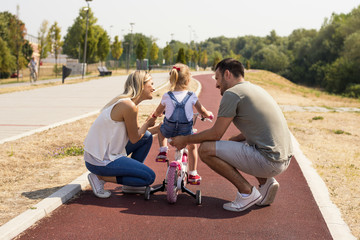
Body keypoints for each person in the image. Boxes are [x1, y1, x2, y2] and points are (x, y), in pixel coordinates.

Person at [170, 58, 293, 211]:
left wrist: (185, 139)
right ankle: (266, 183)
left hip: (270, 161)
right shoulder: (255, 89)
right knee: (231, 144)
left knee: (206, 149)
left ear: (227, 74)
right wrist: (234, 139)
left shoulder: (232, 93)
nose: (216, 84)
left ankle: (247, 193)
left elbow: (216, 134)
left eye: (217, 78)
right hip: (284, 158)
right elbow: (256, 127)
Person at [83, 70, 157, 198]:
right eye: (151, 84)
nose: (154, 88)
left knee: (147, 137)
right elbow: (134, 139)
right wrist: (147, 124)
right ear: (141, 85)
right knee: (149, 177)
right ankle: (100, 177)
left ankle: (130, 184)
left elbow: (139, 134)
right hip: (100, 161)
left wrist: (159, 128)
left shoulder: (127, 103)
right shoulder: (128, 106)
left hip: (103, 153)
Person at [152, 63, 212, 185]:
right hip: (185, 132)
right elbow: (202, 111)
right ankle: (193, 173)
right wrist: (208, 115)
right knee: (192, 147)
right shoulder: (192, 96)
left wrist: (156, 115)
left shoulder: (166, 96)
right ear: (188, 79)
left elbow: (158, 111)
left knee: (160, 130)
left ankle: (163, 151)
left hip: (169, 130)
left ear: (172, 78)